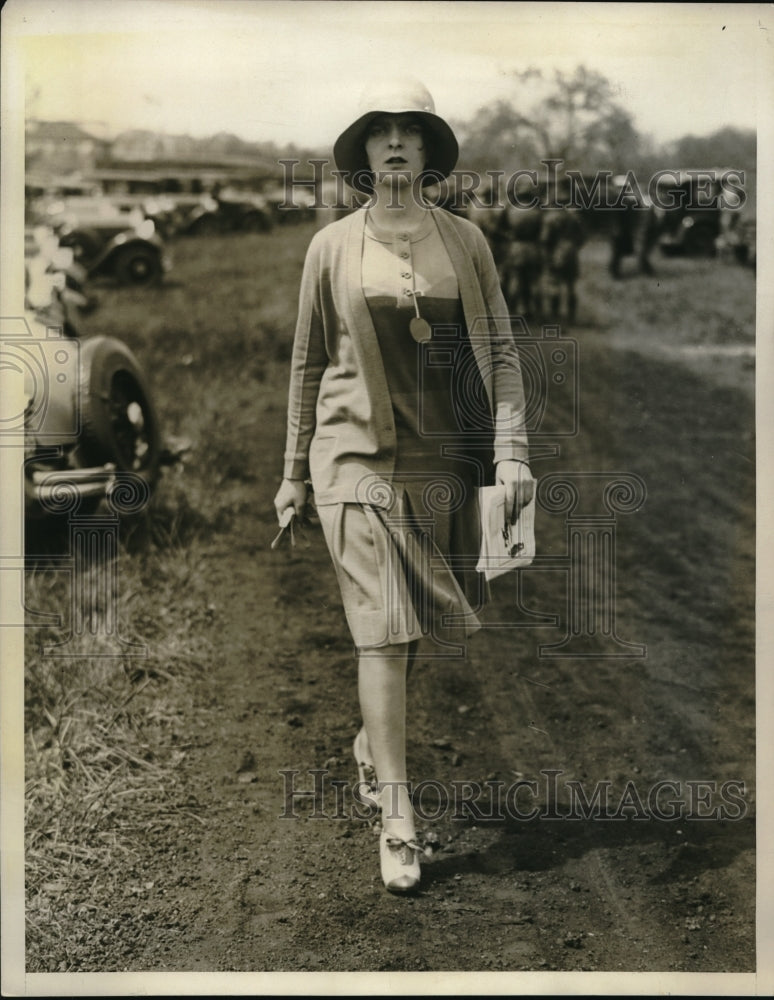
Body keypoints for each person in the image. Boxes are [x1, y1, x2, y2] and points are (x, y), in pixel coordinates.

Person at [273, 80, 534, 894]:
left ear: (428, 151)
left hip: (443, 459)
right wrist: (290, 475)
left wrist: (513, 452)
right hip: (352, 459)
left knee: (413, 625)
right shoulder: (330, 247)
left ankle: (368, 744)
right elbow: (307, 366)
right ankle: (398, 817)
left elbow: (498, 353)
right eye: (379, 131)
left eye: (409, 132)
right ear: (363, 151)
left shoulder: (466, 241)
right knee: (381, 631)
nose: (394, 144)